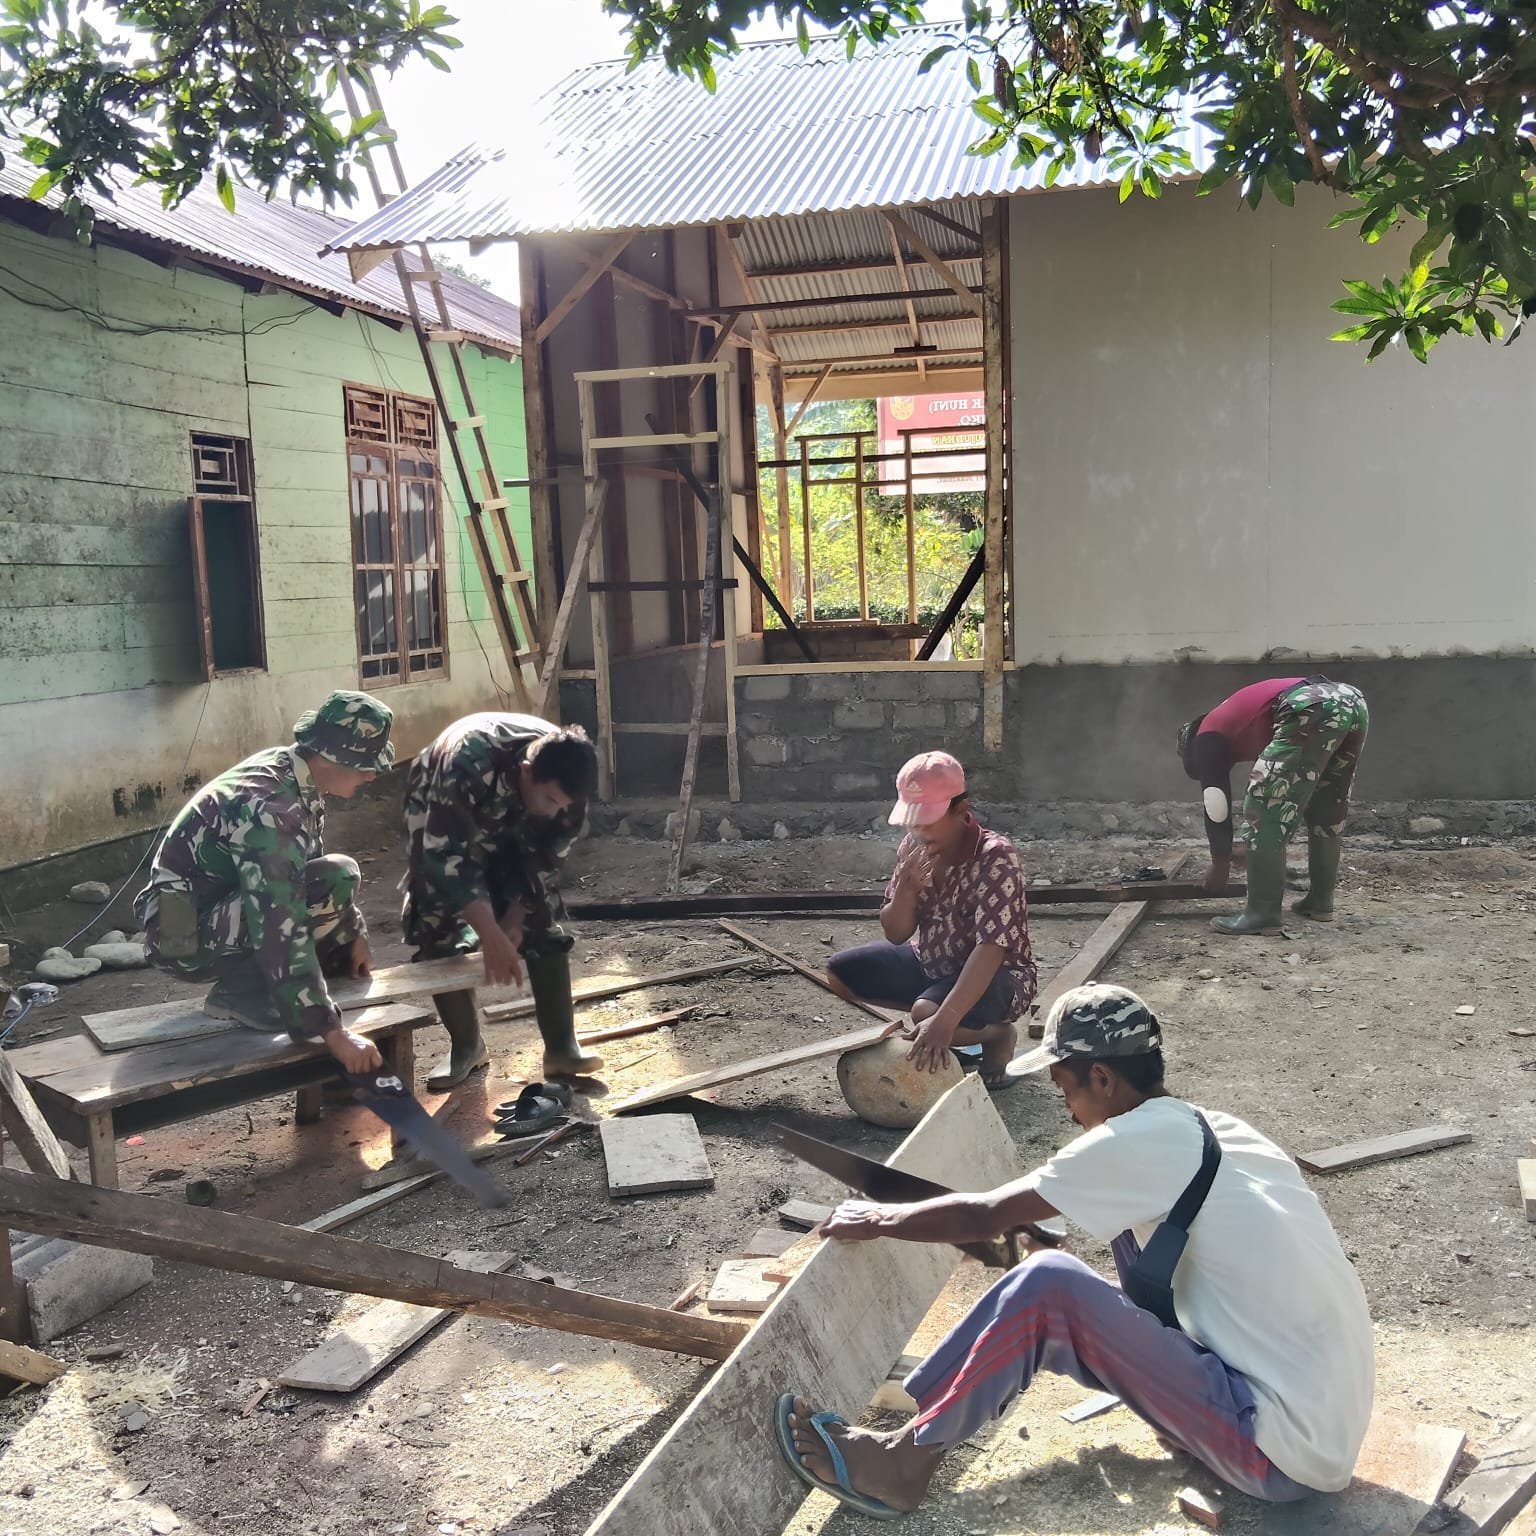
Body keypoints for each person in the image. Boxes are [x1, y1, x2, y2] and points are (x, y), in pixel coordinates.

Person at [775, 983, 1375, 1520]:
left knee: (1050, 1286)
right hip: (1311, 1425)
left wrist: (880, 1217)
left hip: (1277, 1450)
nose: (1067, 1108)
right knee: (1063, 1265)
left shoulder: (1132, 1141)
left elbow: (986, 1212)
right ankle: (926, 1412)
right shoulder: (1214, 1128)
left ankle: (902, 1464)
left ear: (1104, 1079)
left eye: (1066, 1088)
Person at [136, 691, 395, 1074]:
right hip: (178, 935)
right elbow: (279, 918)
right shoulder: (271, 807)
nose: (373, 775)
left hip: (215, 906)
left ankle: (275, 989)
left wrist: (351, 932)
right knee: (290, 908)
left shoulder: (298, 775)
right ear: (333, 759)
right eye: (365, 766)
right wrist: (333, 1033)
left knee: (338, 875)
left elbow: (310, 870)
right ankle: (239, 992)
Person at [401, 712, 604, 1089]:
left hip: (511, 810)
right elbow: (445, 858)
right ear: (527, 772)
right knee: (436, 921)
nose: (555, 810)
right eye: (550, 800)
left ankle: (561, 1050)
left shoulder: (567, 785)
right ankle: (467, 1047)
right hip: (439, 800)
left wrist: (513, 916)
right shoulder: (465, 764)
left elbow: (545, 859)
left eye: (563, 804)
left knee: (541, 917)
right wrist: (489, 935)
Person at [825, 751, 1036, 1089]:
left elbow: (991, 949)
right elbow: (896, 933)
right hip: (933, 960)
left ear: (961, 813)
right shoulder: (913, 846)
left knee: (927, 1013)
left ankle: (995, 1034)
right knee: (840, 973)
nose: (918, 831)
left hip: (1000, 975)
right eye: (913, 821)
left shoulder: (995, 854)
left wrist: (944, 1020)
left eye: (928, 821)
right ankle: (953, 1020)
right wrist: (906, 891)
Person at [1178, 676, 1369, 936]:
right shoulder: (1234, 721)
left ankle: (1262, 914)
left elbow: (1215, 802)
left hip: (1309, 706)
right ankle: (1320, 901)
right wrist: (1255, 848)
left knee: (1262, 805)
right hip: (1350, 700)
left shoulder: (1205, 737)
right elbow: (1292, 798)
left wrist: (1220, 862)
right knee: (1326, 806)